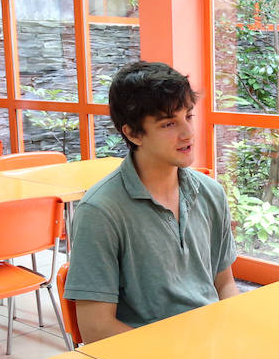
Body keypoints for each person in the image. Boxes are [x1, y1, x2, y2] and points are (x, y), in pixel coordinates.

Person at [62, 61, 239, 344]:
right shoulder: (101, 212)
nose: (188, 133)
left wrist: (230, 331)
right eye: (169, 123)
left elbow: (224, 283)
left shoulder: (211, 193)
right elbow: (96, 329)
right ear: (133, 133)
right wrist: (175, 355)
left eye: (188, 116)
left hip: (209, 350)